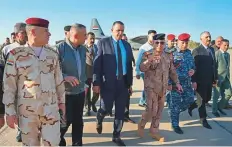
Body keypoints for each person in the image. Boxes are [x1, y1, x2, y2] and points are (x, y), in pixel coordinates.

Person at [2, 17, 65, 146]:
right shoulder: (16, 55)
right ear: (33, 32)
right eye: (46, 31)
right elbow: (9, 86)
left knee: (53, 143)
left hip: (51, 110)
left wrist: (62, 103)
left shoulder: (52, 54)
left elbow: (59, 81)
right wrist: (9, 112)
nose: (50, 34)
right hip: (27, 114)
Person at [93, 21, 133, 146]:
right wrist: (96, 82)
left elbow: (128, 66)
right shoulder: (103, 43)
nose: (120, 33)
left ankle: (116, 136)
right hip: (108, 83)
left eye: (122, 30)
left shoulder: (126, 45)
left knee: (120, 111)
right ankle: (99, 118)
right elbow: (97, 64)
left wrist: (130, 84)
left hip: (123, 83)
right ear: (112, 30)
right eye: (117, 30)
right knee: (105, 108)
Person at [137, 33, 182, 142]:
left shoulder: (167, 55)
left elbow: (172, 71)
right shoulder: (147, 54)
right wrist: (149, 60)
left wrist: (177, 83)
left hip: (163, 88)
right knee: (151, 110)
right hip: (151, 88)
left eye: (162, 43)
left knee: (159, 111)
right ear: (153, 43)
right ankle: (142, 123)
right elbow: (141, 68)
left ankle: (154, 131)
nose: (159, 45)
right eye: (157, 42)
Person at [56, 23, 87, 146]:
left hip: (80, 91)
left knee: (78, 121)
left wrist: (85, 83)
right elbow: (52, 71)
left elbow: (84, 68)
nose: (86, 37)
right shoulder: (59, 49)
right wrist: (65, 77)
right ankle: (58, 139)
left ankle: (77, 144)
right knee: (66, 121)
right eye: (84, 35)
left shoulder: (83, 49)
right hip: (66, 94)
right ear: (75, 35)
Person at [1, 22, 28, 142]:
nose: (25, 35)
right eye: (23, 33)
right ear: (16, 34)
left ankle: (25, 130)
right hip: (13, 85)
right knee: (17, 110)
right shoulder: (7, 49)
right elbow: (3, 68)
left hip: (27, 87)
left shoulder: (30, 47)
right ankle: (20, 130)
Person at [188, 31, 217, 129]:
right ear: (201, 39)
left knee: (207, 99)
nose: (209, 39)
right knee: (201, 101)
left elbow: (213, 65)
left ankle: (192, 105)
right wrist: (194, 80)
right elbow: (193, 67)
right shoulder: (196, 50)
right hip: (200, 80)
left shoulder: (212, 50)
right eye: (206, 37)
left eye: (209, 37)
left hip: (209, 79)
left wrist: (214, 78)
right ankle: (203, 120)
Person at [167, 33, 195, 134]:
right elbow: (167, 70)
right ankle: (175, 124)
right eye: (182, 42)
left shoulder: (189, 53)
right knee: (175, 104)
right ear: (177, 42)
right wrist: (169, 83)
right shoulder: (171, 53)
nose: (185, 45)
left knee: (190, 99)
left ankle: (174, 111)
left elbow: (193, 65)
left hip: (187, 83)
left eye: (186, 43)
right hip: (175, 83)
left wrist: (193, 70)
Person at [135, 30, 156, 107]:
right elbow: (138, 60)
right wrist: (137, 72)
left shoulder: (155, 46)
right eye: (152, 36)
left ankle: (142, 101)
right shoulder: (143, 48)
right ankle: (148, 102)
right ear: (148, 36)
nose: (154, 38)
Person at [212, 39, 231, 116]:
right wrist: (214, 78)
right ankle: (214, 110)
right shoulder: (217, 54)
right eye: (225, 45)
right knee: (216, 95)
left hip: (226, 77)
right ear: (220, 45)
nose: (226, 47)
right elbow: (213, 67)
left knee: (229, 93)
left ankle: (219, 106)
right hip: (218, 78)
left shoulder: (228, 54)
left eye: (227, 45)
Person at [84, 32, 99, 116]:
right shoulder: (83, 48)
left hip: (96, 73)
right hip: (87, 73)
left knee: (97, 92)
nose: (93, 40)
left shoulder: (97, 47)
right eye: (91, 38)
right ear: (87, 38)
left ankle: (93, 103)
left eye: (94, 38)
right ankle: (87, 108)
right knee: (87, 93)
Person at [164, 34, 177, 107]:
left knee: (173, 88)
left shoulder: (176, 50)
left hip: (173, 72)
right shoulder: (163, 49)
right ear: (167, 41)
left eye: (174, 41)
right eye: (171, 41)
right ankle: (166, 100)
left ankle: (170, 101)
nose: (173, 43)